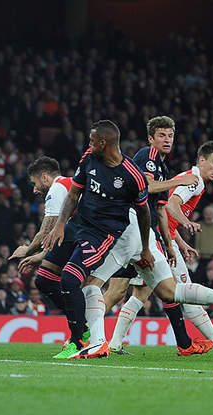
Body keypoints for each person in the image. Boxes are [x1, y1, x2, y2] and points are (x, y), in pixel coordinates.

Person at [76, 139, 213, 360]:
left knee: (139, 294)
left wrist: (180, 242)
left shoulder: (186, 177)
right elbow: (171, 205)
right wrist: (184, 225)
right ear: (201, 160)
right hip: (153, 237)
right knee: (178, 291)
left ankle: (109, 342)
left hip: (153, 235)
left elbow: (166, 211)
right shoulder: (194, 181)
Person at [42, 120, 155, 359]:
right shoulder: (89, 158)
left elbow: (144, 214)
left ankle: (77, 341)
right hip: (77, 224)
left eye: (92, 141)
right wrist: (60, 225)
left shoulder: (133, 175)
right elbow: (74, 194)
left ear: (104, 143)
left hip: (102, 234)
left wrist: (145, 248)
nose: (89, 144)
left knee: (70, 278)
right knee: (44, 278)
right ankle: (82, 325)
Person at [8, 156, 90, 345]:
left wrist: (28, 250)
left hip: (91, 237)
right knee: (45, 279)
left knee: (67, 282)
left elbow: (46, 231)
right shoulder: (67, 185)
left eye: (34, 183)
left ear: (45, 177)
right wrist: (40, 255)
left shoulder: (56, 188)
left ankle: (83, 335)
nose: (34, 190)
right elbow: (56, 233)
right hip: (80, 236)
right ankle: (82, 330)